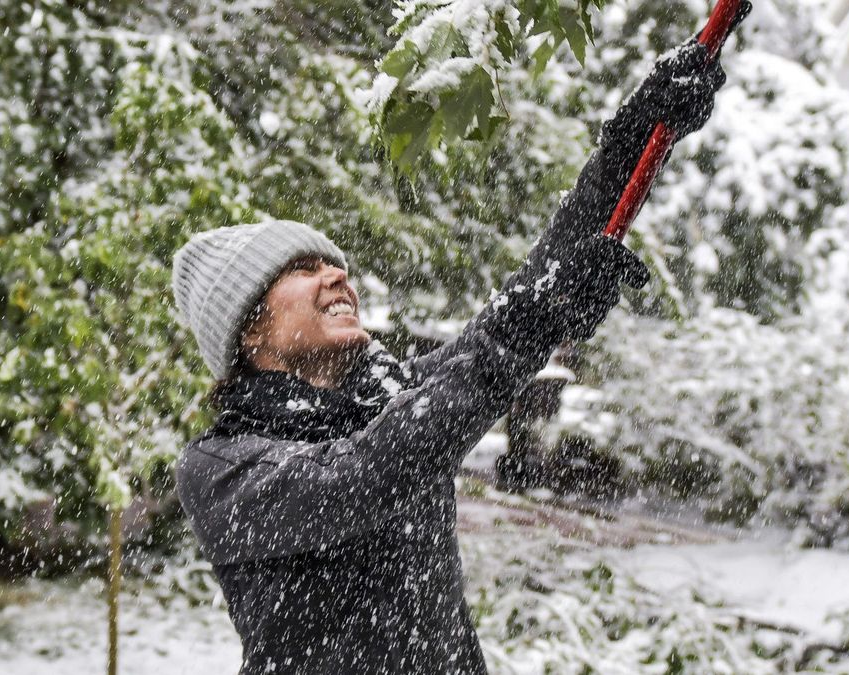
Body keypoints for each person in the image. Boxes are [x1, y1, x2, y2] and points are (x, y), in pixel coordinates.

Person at [171, 33, 738, 675]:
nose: (337, 277)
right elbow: (367, 473)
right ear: (248, 331)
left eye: (336, 264)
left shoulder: (390, 399)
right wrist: (536, 320)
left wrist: (635, 135)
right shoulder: (221, 468)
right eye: (303, 269)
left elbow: (524, 296)